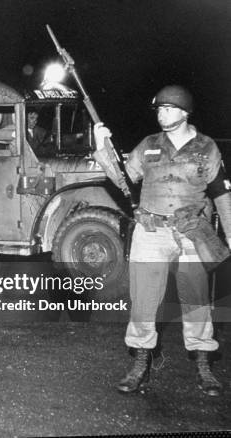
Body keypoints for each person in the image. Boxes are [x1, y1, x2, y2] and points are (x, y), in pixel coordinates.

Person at [93, 85, 231, 397]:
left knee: (197, 301)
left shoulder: (206, 147)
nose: (161, 113)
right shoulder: (149, 145)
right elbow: (123, 180)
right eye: (158, 109)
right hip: (150, 231)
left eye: (168, 108)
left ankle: (203, 366)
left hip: (191, 232)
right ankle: (140, 363)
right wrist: (102, 146)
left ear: (185, 113)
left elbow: (222, 192)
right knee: (143, 300)